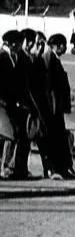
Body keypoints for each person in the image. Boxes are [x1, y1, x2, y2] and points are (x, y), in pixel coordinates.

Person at [36, 34, 75, 179]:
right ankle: (54, 170)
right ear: (58, 45)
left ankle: (63, 168)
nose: (65, 48)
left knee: (59, 138)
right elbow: (47, 86)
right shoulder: (49, 58)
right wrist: (49, 107)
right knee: (53, 138)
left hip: (56, 107)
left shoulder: (53, 59)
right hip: (52, 108)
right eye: (63, 45)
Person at [0, 30, 34, 180]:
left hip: (11, 104)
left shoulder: (14, 57)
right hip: (3, 103)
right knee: (8, 135)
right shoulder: (2, 58)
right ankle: (4, 167)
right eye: (19, 43)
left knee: (10, 135)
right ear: (13, 43)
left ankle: (6, 166)